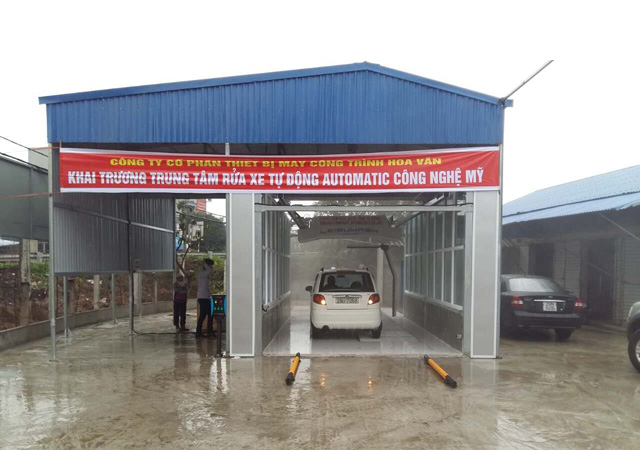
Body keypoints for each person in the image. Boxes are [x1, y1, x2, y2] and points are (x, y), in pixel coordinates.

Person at [195, 258, 215, 337]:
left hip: (206, 296)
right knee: (207, 314)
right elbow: (209, 271)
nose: (211, 267)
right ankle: (204, 331)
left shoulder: (204, 271)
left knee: (207, 314)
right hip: (202, 297)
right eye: (210, 265)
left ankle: (201, 331)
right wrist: (206, 265)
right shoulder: (201, 271)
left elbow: (210, 272)